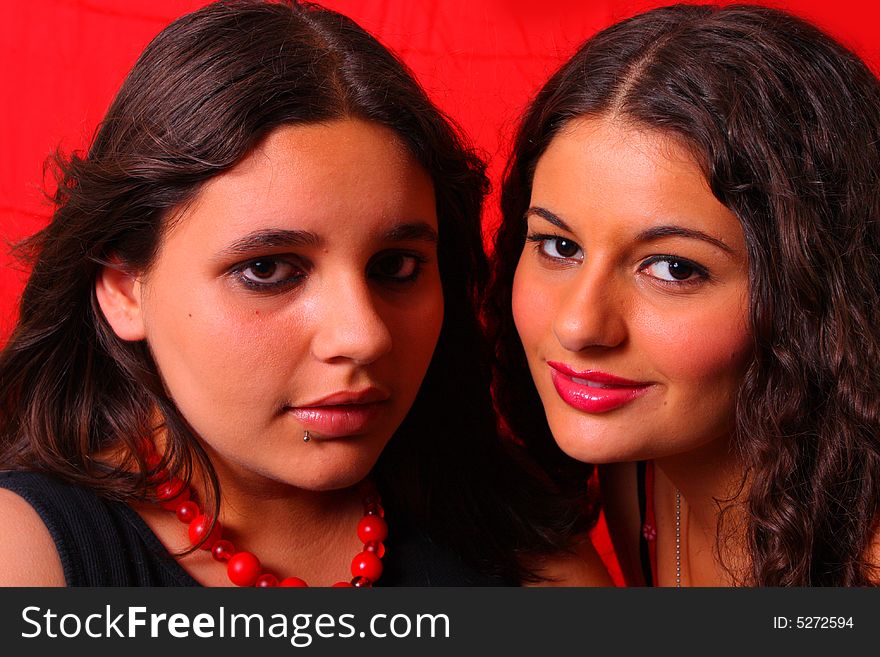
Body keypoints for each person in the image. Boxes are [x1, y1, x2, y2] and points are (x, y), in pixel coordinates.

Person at [0, 0, 608, 587]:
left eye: (395, 266)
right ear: (124, 291)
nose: (364, 335)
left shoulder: (512, 526)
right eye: (267, 270)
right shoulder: (28, 553)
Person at [487, 3, 880, 586]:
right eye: (560, 247)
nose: (579, 325)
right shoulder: (640, 468)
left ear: (815, 296)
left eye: (673, 268)